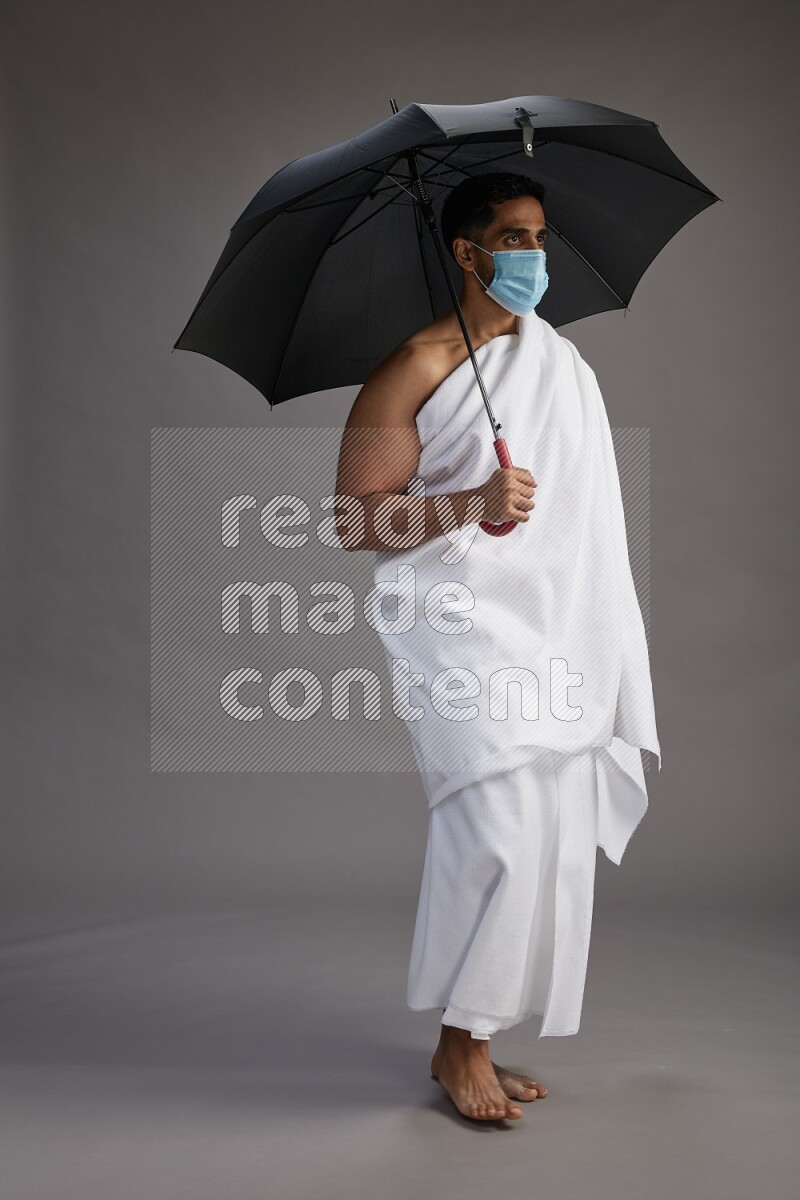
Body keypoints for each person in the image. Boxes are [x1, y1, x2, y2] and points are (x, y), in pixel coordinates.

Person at [335, 172, 660, 1122]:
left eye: (541, 237)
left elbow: (582, 520)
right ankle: (458, 1044)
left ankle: (470, 1035)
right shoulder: (413, 366)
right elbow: (356, 522)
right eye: (514, 238)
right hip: (459, 629)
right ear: (466, 252)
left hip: (555, 625)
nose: (534, 255)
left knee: (548, 837)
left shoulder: (559, 364)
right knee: (498, 833)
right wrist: (469, 505)